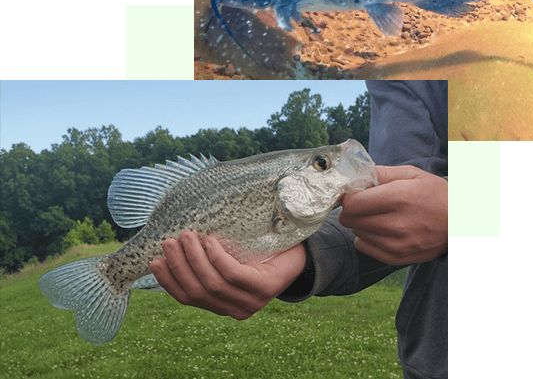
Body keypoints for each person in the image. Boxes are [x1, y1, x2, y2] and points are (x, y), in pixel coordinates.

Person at [150, 81, 448, 378]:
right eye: (322, 164)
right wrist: (306, 255)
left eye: (321, 164)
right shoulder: (406, 61)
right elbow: (400, 212)